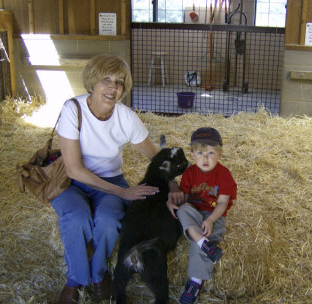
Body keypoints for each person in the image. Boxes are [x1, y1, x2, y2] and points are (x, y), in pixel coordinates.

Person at [52, 54, 181, 304]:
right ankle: (75, 281)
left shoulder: (126, 117)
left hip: (111, 180)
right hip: (73, 184)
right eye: (106, 80)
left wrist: (174, 184)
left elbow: (156, 156)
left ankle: (99, 276)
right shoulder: (73, 109)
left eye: (120, 82)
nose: (113, 88)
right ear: (92, 81)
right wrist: (122, 193)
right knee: (76, 219)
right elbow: (74, 170)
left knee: (109, 220)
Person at [167, 127, 237, 304]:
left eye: (211, 152)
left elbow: (222, 203)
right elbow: (184, 198)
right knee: (182, 210)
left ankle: (195, 281)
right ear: (192, 155)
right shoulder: (189, 174)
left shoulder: (224, 175)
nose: (205, 158)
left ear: (220, 154)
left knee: (202, 236)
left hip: (214, 215)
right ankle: (204, 244)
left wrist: (211, 219)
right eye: (200, 153)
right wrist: (172, 200)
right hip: (195, 213)